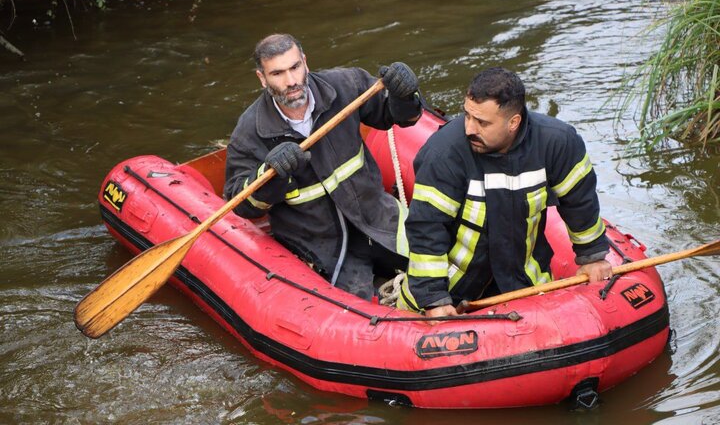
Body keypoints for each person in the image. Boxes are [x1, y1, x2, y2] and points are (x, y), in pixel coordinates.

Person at [224, 33, 426, 300]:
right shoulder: (249, 133)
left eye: (295, 67)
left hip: (379, 219)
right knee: (358, 315)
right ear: (262, 78)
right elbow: (241, 204)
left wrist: (405, 96)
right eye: (278, 73)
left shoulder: (345, 84)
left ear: (305, 62)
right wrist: (270, 174)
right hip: (321, 247)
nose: (292, 81)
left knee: (439, 270)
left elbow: (395, 116)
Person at [398, 67, 612, 317]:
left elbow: (580, 204)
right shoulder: (444, 153)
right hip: (453, 287)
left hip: (524, 284)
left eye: (482, 122)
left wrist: (592, 256)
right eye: (467, 116)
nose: (469, 129)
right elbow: (427, 227)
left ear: (514, 122)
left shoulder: (557, 144)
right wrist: (434, 299)